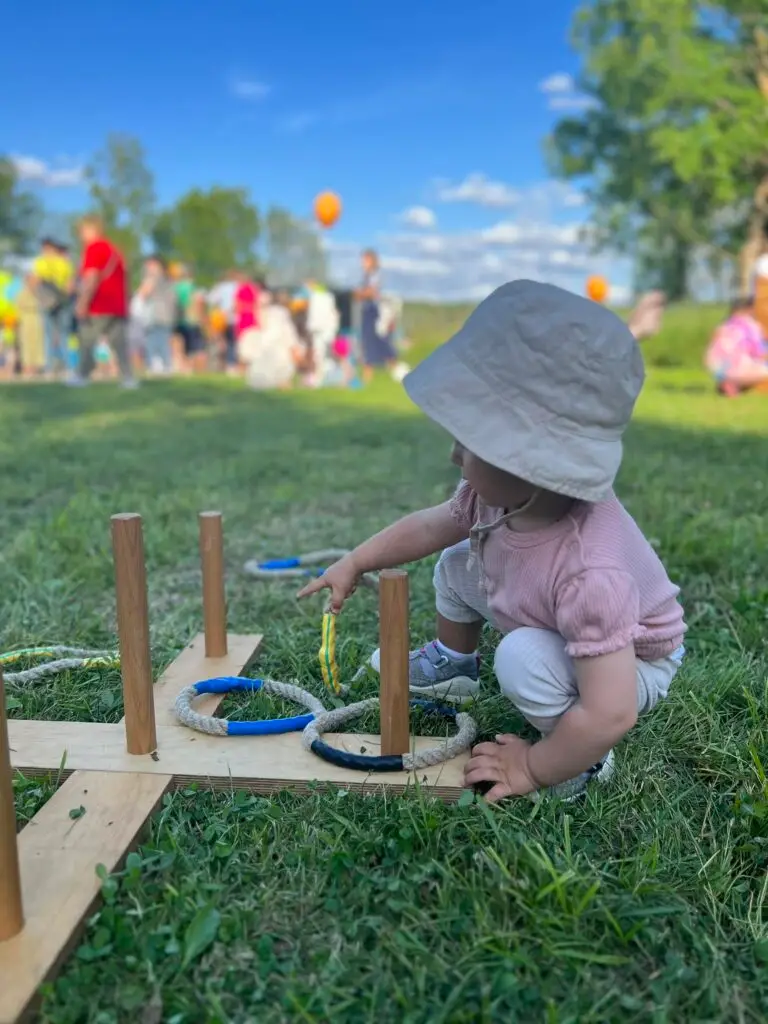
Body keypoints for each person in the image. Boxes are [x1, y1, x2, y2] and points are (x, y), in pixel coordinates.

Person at [298, 280, 686, 803]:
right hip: (555, 608)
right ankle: (455, 665)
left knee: (523, 659)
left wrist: (532, 767)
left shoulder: (591, 572)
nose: (455, 455)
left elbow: (611, 710)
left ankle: (582, 762)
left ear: (534, 465)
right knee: (458, 560)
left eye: (472, 442)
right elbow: (431, 525)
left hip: (627, 659)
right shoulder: (498, 496)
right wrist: (355, 561)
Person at [74, 216, 134, 388]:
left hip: (99, 304)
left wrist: (83, 302)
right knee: (119, 344)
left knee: (87, 340)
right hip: (117, 304)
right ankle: (128, 377)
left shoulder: (93, 249)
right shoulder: (114, 250)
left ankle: (81, 376)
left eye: (82, 231)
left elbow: (91, 278)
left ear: (93, 230)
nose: (81, 235)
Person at [704, 297, 768, 396]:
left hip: (716, 368)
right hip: (738, 367)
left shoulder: (723, 325)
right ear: (750, 309)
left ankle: (728, 381)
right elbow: (758, 352)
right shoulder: (751, 326)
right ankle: (736, 383)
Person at [30, 237, 74, 378]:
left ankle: (67, 366)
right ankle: (50, 367)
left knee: (63, 334)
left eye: (48, 248)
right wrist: (41, 296)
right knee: (49, 334)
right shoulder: (40, 262)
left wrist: (63, 294)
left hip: (62, 301)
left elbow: (70, 283)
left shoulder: (63, 263)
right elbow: (34, 281)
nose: (46, 250)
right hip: (48, 300)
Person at [356, 248, 397, 383]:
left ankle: (395, 369)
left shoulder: (375, 275)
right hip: (367, 309)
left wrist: (359, 294)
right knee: (368, 341)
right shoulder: (366, 276)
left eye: (365, 260)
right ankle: (368, 375)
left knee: (379, 340)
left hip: (374, 310)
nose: (362, 263)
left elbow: (372, 292)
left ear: (372, 261)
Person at [135, 255, 177, 375]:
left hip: (156, 315)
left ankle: (157, 365)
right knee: (162, 341)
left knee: (153, 342)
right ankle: (166, 365)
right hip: (167, 315)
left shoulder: (152, 278)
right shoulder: (168, 279)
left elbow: (144, 292)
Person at [15, 275, 45, 378]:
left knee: (38, 343)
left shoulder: (39, 294)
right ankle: (27, 367)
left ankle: (37, 367)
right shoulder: (21, 293)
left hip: (37, 319)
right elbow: (19, 305)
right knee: (26, 344)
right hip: (26, 320)